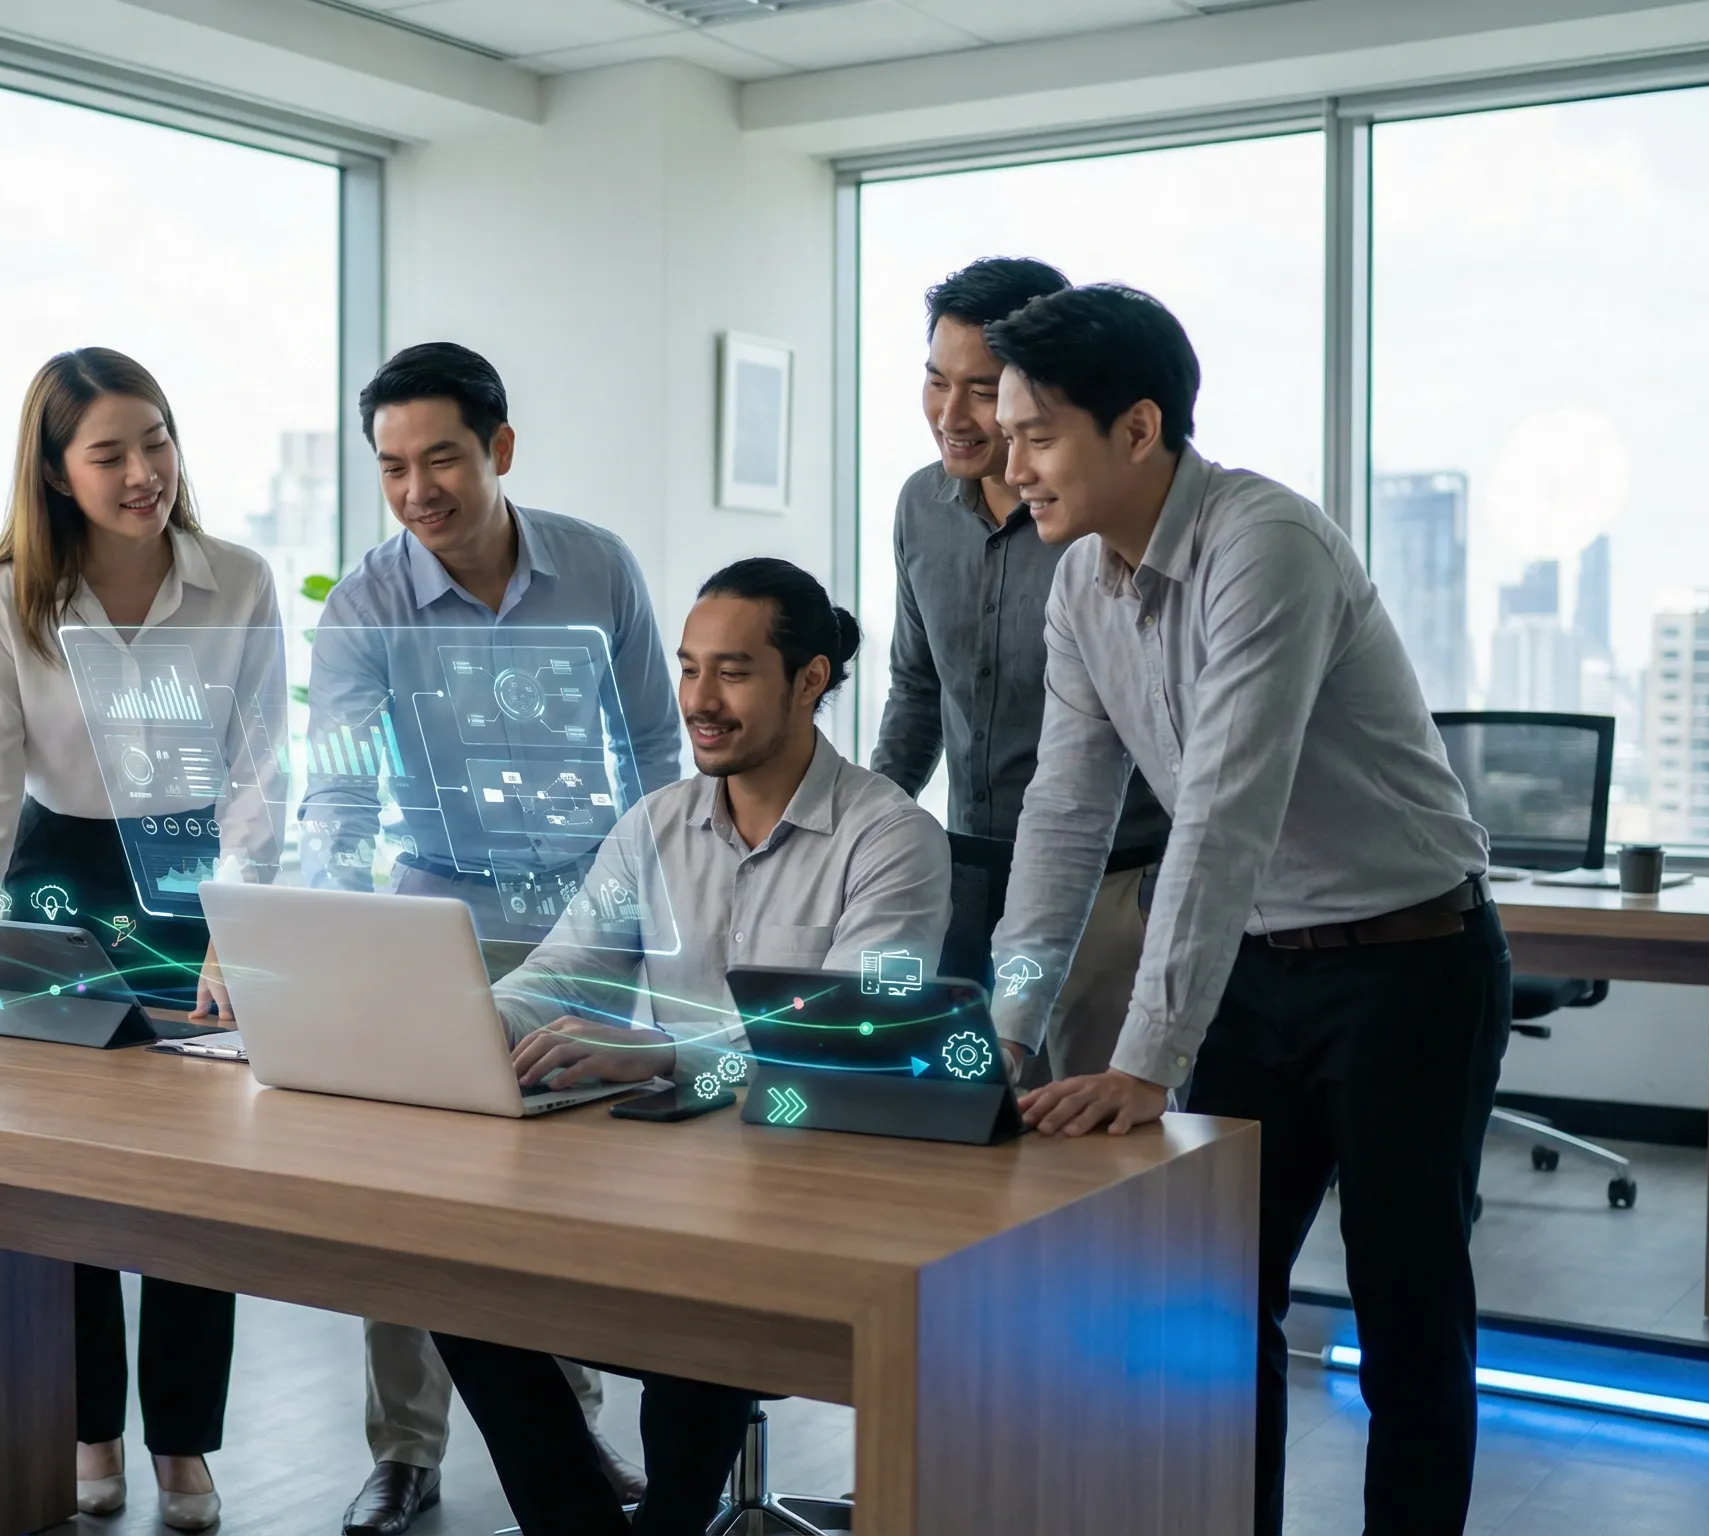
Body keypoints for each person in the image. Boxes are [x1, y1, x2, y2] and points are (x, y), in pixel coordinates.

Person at [978, 285, 1509, 1535]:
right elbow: (1063, 815)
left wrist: (1147, 1059)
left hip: (1407, 966)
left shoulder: (1263, 543)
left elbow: (1223, 812)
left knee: (1405, 1317)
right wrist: (1008, 1022)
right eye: (1004, 437)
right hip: (1255, 975)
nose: (1010, 470)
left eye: (1036, 435)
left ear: (1138, 429)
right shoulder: (1079, 590)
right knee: (1212, 1312)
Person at [0, 346, 287, 1532]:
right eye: (109, 454)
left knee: (202, 1189)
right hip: (59, 883)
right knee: (64, 1185)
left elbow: (259, 771)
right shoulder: (8, 601)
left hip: (197, 884)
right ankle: (88, 1426)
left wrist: (237, 921)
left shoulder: (239, 580)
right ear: (54, 472)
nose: (145, 471)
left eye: (158, 440)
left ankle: (183, 1444)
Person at [433, 557, 950, 1536]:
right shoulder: (655, 824)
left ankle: (671, 1521)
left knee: (703, 1296)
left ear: (811, 680)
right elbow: (554, 979)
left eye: (733, 672)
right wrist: (433, 1019)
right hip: (665, 1177)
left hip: (812, 1185)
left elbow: (842, 1044)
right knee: (450, 1276)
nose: (698, 703)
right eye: (687, 669)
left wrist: (663, 1055)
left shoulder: (889, 838)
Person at [305, 342, 682, 1536]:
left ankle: (562, 1434)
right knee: (401, 1199)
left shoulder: (597, 567)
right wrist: (332, 927)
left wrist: (654, 920)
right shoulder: (368, 601)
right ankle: (405, 1453)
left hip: (588, 913)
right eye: (394, 467)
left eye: (443, 460)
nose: (420, 491)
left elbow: (659, 758)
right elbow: (340, 792)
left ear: (499, 451)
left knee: (563, 1196)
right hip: (437, 915)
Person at [873, 256, 1170, 1084]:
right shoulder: (920, 506)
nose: (953, 415)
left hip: (1113, 884)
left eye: (982, 387)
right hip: (966, 877)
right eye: (937, 382)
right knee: (971, 1127)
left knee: (1095, 1150)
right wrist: (863, 832)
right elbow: (917, 689)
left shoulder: (1098, 515)